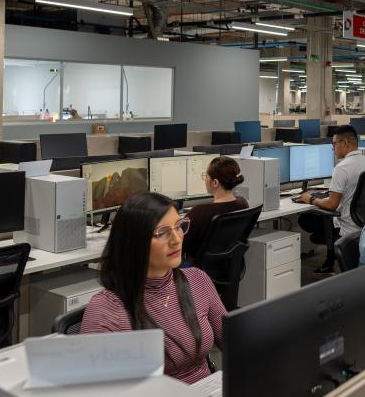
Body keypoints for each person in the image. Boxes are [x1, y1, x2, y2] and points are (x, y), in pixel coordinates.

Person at [81, 193, 224, 385]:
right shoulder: (107, 311)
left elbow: (235, 342)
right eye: (162, 232)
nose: (177, 239)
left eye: (179, 226)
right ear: (135, 242)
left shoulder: (197, 280)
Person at [295, 125, 365, 271]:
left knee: (304, 219)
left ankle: (331, 254)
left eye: (334, 144)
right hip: (363, 223)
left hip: (347, 225)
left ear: (345, 143)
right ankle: (330, 257)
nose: (333, 148)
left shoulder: (342, 168)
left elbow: (332, 205)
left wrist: (310, 199)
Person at [182, 156, 249, 263]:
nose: (204, 179)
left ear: (215, 183)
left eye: (206, 176)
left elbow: (180, 245)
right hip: (229, 266)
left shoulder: (199, 212)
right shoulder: (243, 204)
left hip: (199, 268)